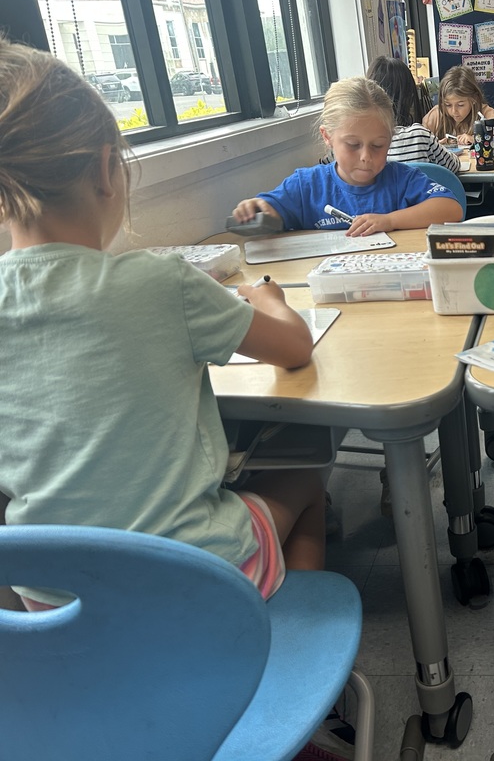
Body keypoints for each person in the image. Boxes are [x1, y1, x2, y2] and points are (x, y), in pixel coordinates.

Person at [0, 36, 330, 609]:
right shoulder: (161, 282)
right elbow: (295, 347)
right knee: (307, 481)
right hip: (195, 581)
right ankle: (274, 641)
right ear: (106, 170)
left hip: (52, 601)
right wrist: (268, 297)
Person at [233, 76, 462, 237]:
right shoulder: (305, 185)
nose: (366, 156)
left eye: (378, 145)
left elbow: (452, 209)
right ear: (328, 137)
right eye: (353, 145)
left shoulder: (402, 180)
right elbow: (269, 212)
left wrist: (389, 220)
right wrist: (257, 210)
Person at [365, 56, 462, 173]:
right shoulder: (419, 136)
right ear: (409, 95)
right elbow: (454, 165)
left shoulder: (363, 144)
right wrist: (436, 148)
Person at [422, 65, 494, 147]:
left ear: (474, 99)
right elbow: (420, 141)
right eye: (448, 105)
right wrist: (434, 146)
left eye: (460, 105)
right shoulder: (435, 115)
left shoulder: (486, 113)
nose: (454, 111)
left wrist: (475, 139)